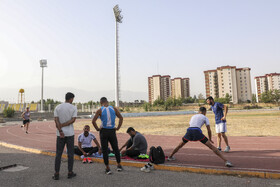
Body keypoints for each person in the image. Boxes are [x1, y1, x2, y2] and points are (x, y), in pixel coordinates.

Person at [167, 107, 233, 167]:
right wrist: (210, 139)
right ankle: (226, 161)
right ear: (204, 112)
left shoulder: (193, 116)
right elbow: (209, 130)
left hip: (189, 131)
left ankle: (170, 156)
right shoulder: (205, 117)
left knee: (180, 145)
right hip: (197, 131)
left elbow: (191, 125)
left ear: (199, 111)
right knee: (212, 147)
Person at [92, 97, 123, 175]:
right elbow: (121, 118)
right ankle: (119, 165)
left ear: (101, 102)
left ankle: (108, 168)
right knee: (115, 148)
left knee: (105, 150)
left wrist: (97, 129)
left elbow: (93, 121)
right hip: (112, 131)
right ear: (107, 102)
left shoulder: (100, 110)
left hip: (104, 131)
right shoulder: (114, 109)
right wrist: (118, 128)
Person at [53, 92, 77, 180]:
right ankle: (70, 172)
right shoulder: (73, 108)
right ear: (71, 99)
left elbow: (56, 120)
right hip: (70, 134)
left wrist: (60, 129)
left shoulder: (58, 107)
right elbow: (73, 120)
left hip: (60, 134)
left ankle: (56, 173)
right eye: (73, 99)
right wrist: (63, 125)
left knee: (58, 154)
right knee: (70, 154)